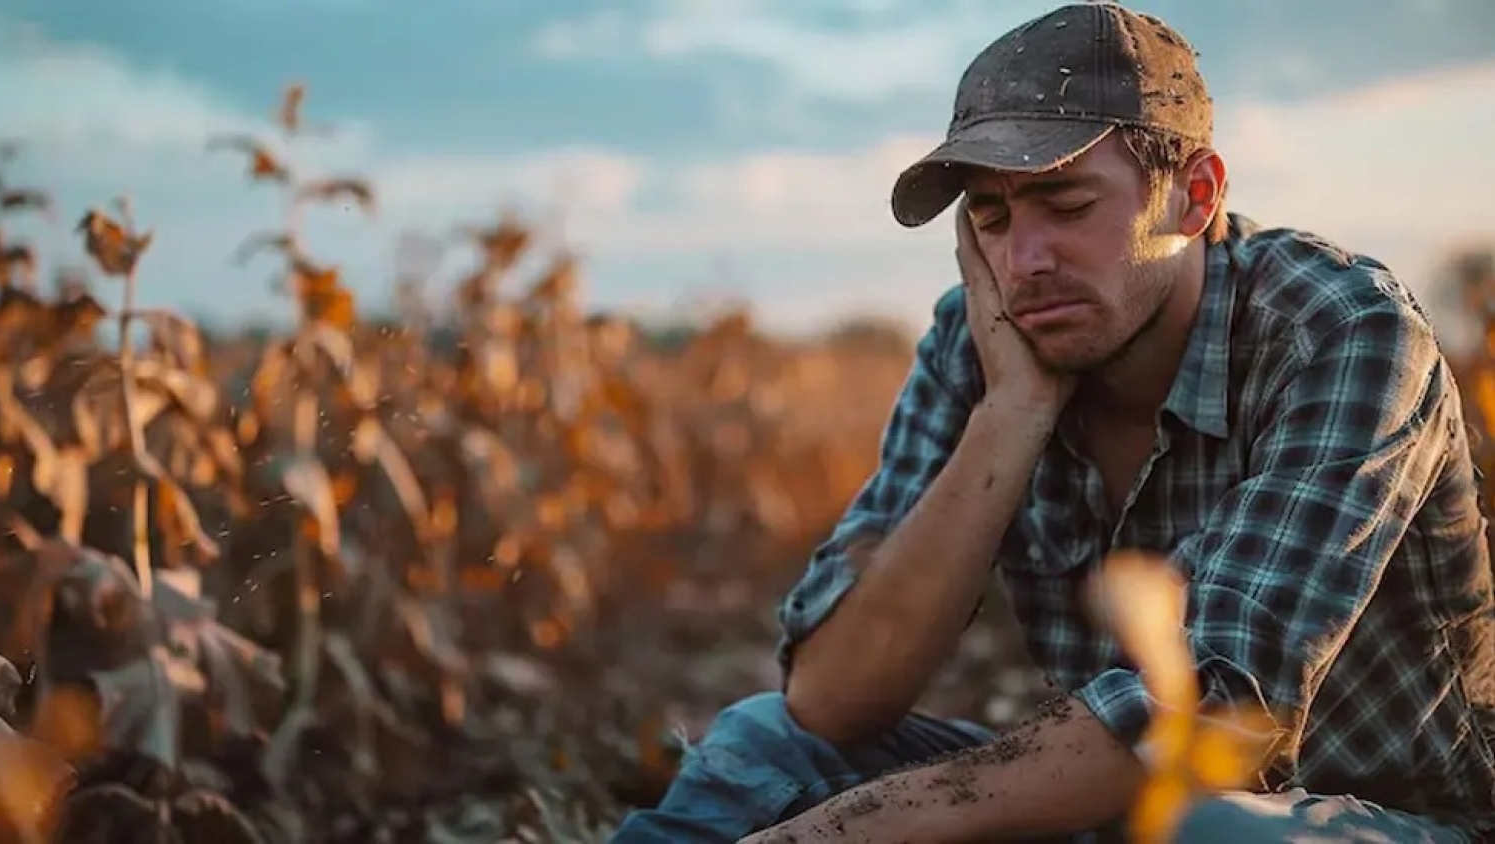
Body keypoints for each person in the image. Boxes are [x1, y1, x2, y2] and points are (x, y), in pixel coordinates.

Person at [608, 3, 1495, 842]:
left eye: (1067, 206)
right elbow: (830, 702)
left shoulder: (1338, 330)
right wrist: (1013, 412)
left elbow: (1212, 709)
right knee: (764, 744)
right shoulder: (982, 337)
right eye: (991, 219)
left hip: (1376, 819)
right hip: (1107, 805)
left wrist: (848, 829)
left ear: (1194, 196)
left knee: (1209, 830)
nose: (1025, 261)